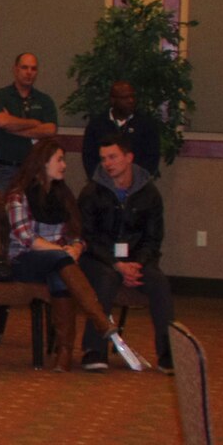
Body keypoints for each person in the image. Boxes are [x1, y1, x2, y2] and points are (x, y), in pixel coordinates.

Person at [3, 139, 143, 372]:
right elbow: (26, 238)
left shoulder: (62, 194)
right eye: (59, 159)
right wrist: (62, 251)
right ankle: (99, 319)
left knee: (60, 273)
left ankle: (64, 353)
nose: (64, 165)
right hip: (24, 260)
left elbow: (76, 233)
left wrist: (76, 248)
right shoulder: (18, 196)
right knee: (61, 261)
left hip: (57, 262)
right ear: (42, 163)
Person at [78, 134, 175, 373]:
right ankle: (94, 350)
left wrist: (136, 265)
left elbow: (153, 239)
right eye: (103, 159)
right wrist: (116, 264)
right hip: (99, 259)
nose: (108, 163)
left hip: (137, 259)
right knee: (106, 280)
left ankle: (167, 353)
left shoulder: (149, 194)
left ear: (129, 157)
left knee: (159, 283)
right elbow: (88, 238)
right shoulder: (91, 192)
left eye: (113, 157)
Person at [0, 52, 58, 191]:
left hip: (36, 169)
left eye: (33, 69)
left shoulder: (44, 100)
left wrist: (13, 128)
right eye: (24, 68)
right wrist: (35, 122)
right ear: (15, 70)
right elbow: (2, 122)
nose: (29, 72)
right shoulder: (1, 96)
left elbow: (50, 130)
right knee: (0, 210)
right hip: (6, 168)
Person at [82, 80, 165, 178]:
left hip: (136, 185)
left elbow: (151, 158)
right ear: (113, 100)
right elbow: (89, 157)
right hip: (104, 185)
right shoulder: (97, 125)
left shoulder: (146, 124)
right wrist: (103, 180)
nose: (131, 101)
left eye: (132, 96)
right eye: (125, 98)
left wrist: (133, 180)